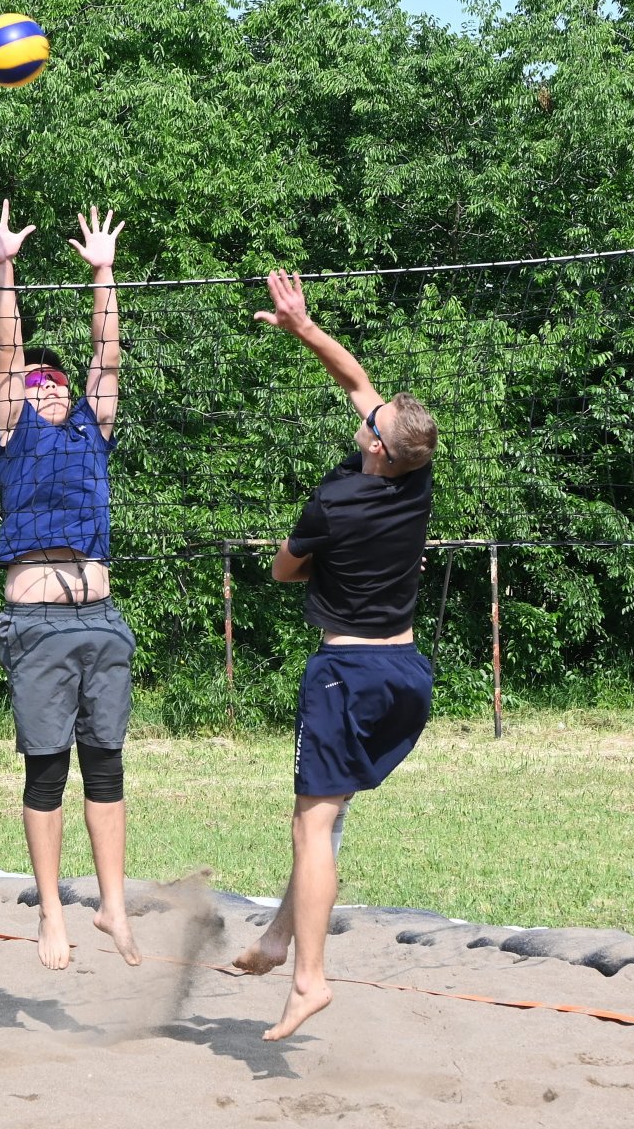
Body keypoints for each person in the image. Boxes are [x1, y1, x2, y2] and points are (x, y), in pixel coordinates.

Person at [233, 268, 439, 1041]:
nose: (366, 413)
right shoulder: (414, 482)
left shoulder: (334, 499)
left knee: (312, 826)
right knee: (330, 812)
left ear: (380, 450)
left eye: (373, 422)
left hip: (346, 672)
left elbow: (285, 570)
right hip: (407, 677)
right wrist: (303, 326)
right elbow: (356, 379)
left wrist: (309, 555)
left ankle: (309, 979)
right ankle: (281, 936)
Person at [0, 199, 142, 972]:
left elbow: (108, 357)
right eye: (35, 383)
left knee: (106, 764)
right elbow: (8, 353)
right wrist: (3, 265)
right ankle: (50, 917)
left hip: (100, 617)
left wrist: (104, 272)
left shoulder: (89, 435)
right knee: (48, 771)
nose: (44, 387)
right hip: (36, 625)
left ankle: (111, 905)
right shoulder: (16, 434)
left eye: (53, 383)